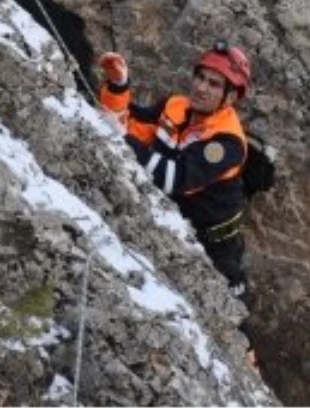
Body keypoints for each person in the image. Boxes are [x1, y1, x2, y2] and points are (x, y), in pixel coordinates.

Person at [96, 41, 252, 295]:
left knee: (224, 315)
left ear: (231, 97)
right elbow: (127, 124)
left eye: (214, 84)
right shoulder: (175, 106)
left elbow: (174, 179)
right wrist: (117, 85)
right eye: (200, 77)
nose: (201, 87)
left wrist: (123, 139)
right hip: (174, 225)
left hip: (215, 246)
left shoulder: (226, 142)